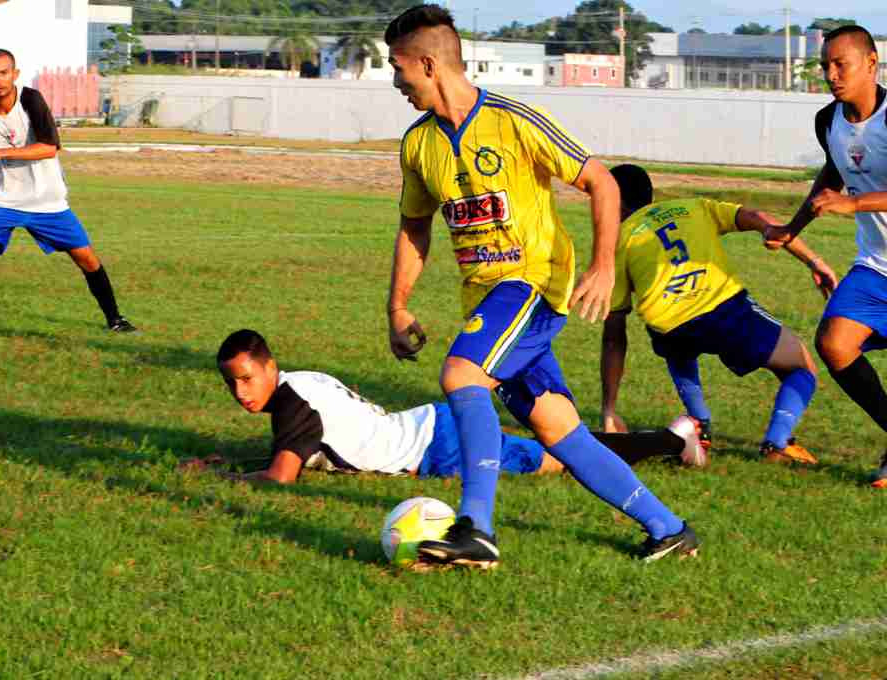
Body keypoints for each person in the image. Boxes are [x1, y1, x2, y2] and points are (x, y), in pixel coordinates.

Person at [382, 4, 696, 569]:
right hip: (486, 300)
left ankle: (476, 528)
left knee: (460, 373)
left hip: (532, 284)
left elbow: (599, 181)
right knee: (560, 430)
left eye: (398, 67)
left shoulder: (513, 120)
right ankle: (668, 528)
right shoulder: (417, 145)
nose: (395, 81)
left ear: (428, 64)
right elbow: (414, 226)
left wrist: (602, 266)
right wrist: (397, 307)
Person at [208, 329, 704, 484]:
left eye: (247, 379)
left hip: (436, 446)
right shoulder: (298, 386)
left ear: (270, 367)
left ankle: (672, 440)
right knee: (563, 450)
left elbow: (281, 478)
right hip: (431, 429)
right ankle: (669, 439)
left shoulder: (293, 402)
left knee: (564, 458)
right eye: (232, 385)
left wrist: (223, 476)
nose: (241, 392)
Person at [603, 165, 837, 464]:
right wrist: (813, 260)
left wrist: (609, 409)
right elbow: (759, 218)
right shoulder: (693, 207)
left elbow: (613, 337)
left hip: (668, 326)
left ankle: (699, 428)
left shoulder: (617, 242)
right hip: (722, 311)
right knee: (802, 367)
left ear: (615, 202)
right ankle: (777, 443)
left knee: (677, 348)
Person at [0, 48, 136, 333]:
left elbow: (49, 148)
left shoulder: (31, 99)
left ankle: (115, 319)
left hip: (46, 198)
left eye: (4, 73)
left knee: (87, 259)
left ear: (15, 74)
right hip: (1, 197)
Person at [766, 25, 887, 486]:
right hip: (876, 265)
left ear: (871, 65)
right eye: (825, 66)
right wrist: (791, 228)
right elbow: (832, 175)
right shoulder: (827, 121)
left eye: (842, 64)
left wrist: (855, 204)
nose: (831, 74)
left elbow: (847, 195)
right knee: (835, 344)